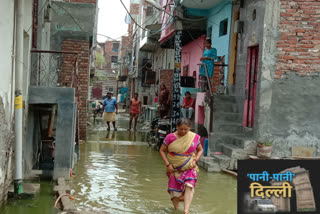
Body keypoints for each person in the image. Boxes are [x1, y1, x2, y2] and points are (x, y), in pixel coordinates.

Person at [159, 119, 204, 214]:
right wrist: (167, 164)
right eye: (181, 129)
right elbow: (162, 150)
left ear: (189, 128)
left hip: (189, 165)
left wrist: (196, 160)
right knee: (174, 193)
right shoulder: (170, 137)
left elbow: (200, 150)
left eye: (186, 129)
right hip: (174, 167)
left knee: (189, 185)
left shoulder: (193, 137)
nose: (183, 131)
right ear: (177, 127)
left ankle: (186, 211)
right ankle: (176, 209)